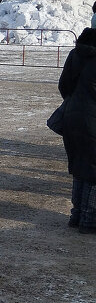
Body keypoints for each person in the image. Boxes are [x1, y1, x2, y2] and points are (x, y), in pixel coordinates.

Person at [58, 28, 96, 234]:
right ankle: (89, 220)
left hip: (71, 117)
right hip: (92, 120)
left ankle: (77, 214)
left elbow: (63, 85)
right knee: (93, 170)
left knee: (79, 167)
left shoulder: (75, 55)